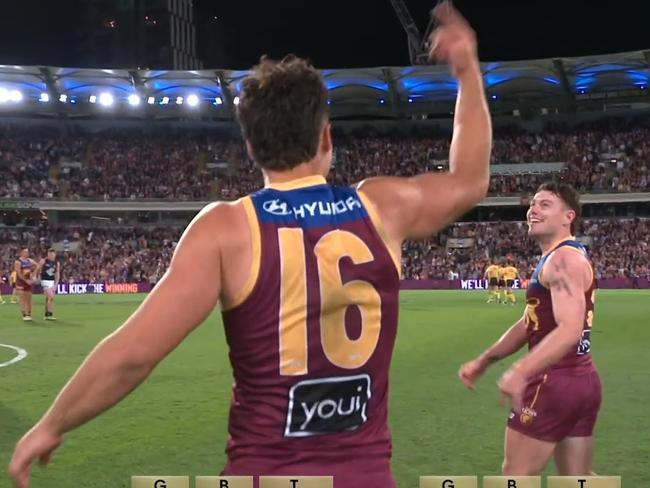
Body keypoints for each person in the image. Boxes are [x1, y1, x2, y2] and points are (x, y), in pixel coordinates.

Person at [9, 3, 492, 487]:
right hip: (363, 475)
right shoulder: (381, 207)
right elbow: (469, 180)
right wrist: (467, 71)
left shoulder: (226, 229)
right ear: (326, 136)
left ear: (250, 147)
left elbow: (134, 353)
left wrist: (52, 424)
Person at [458, 182, 601, 476]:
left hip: (554, 381)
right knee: (579, 479)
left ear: (568, 216)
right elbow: (529, 322)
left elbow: (570, 328)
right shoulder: (562, 257)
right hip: (582, 379)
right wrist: (484, 360)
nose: (533, 210)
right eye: (533, 204)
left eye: (545, 204)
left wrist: (520, 371)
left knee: (516, 477)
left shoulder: (563, 259)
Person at [36, 249, 60, 321]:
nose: (52, 255)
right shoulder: (43, 261)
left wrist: (56, 283)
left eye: (53, 254)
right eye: (50, 254)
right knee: (51, 297)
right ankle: (49, 314)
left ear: (55, 254)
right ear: (48, 254)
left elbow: (57, 273)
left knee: (50, 299)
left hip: (51, 281)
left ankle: (47, 314)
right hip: (44, 280)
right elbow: (38, 269)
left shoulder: (56, 263)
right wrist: (38, 277)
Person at [14, 248, 37, 322]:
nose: (27, 253)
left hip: (28, 281)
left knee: (29, 298)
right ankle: (24, 314)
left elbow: (38, 266)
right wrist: (26, 280)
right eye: (25, 252)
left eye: (28, 252)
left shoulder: (30, 260)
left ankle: (29, 314)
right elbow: (19, 273)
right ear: (21, 253)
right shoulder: (18, 262)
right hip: (21, 282)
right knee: (22, 298)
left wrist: (34, 275)